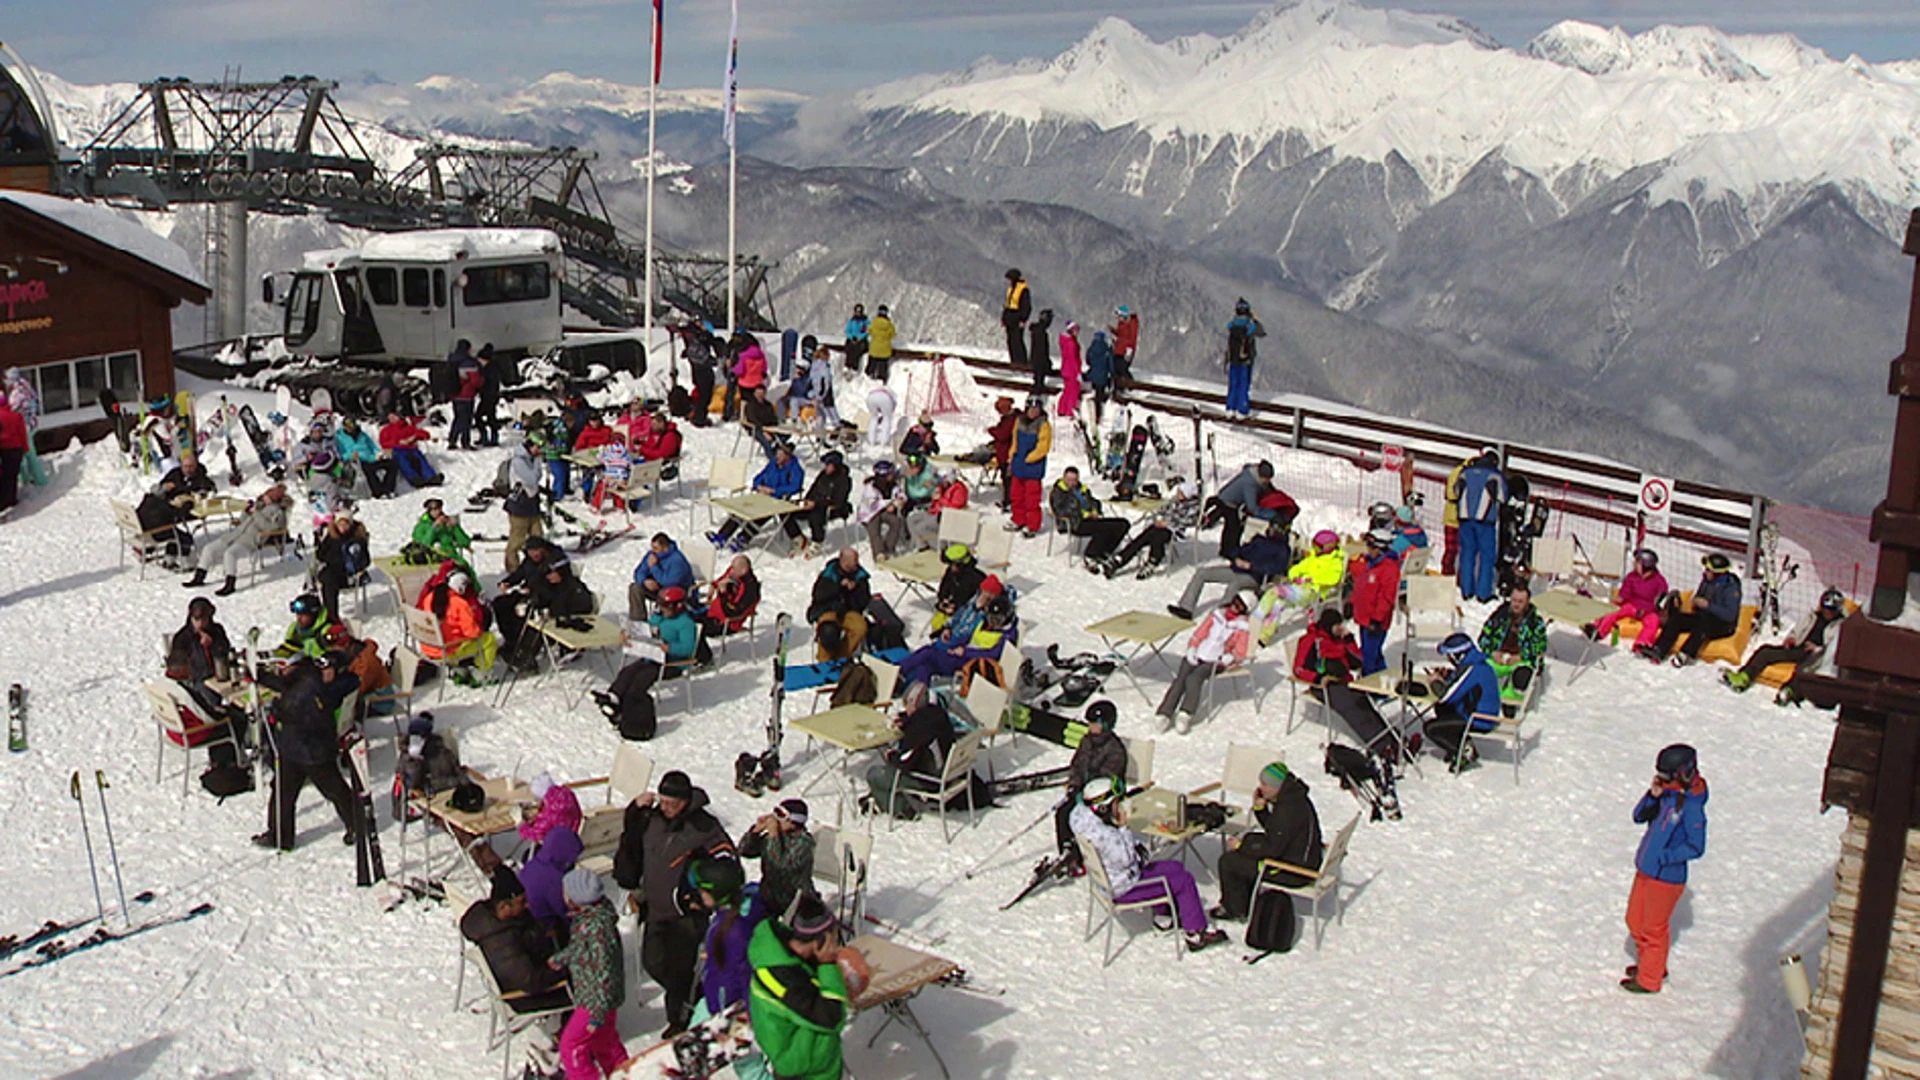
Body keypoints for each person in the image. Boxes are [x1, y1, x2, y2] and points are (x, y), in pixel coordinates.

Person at [612, 770, 736, 1036]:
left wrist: (700, 894)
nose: (665, 807)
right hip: (656, 909)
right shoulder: (653, 819)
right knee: (654, 962)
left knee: (679, 970)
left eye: (672, 803)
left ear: (686, 801)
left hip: (686, 916)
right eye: (663, 801)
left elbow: (728, 862)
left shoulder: (703, 827)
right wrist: (634, 811)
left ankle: (680, 1022)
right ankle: (692, 995)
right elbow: (631, 840)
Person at [1072, 776, 1227, 952]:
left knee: (1174, 867)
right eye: (1115, 803)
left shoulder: (1083, 819)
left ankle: (1163, 919)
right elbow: (1126, 860)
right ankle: (1196, 934)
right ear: (1102, 808)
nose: (1119, 807)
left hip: (1109, 880)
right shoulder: (1107, 836)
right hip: (1124, 887)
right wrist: (1123, 827)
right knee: (1184, 880)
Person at [1621, 744, 1712, 999]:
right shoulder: (1667, 795)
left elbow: (1696, 846)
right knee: (1634, 920)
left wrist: (1666, 858)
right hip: (1646, 870)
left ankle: (1650, 979)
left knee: (1653, 928)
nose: (1662, 779)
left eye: (1667, 775)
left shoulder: (1692, 806)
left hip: (1666, 878)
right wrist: (1653, 795)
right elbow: (1638, 816)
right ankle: (1651, 965)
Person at [252, 651, 362, 850]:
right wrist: (261, 677)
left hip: (313, 751)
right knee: (283, 793)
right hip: (295, 748)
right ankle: (279, 835)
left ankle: (358, 825)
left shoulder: (316, 686)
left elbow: (292, 707)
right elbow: (285, 688)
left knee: (335, 790)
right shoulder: (307, 680)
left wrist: (276, 708)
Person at [747, 895, 856, 1080]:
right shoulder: (783, 980)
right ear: (819, 941)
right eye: (833, 939)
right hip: (802, 1071)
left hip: (815, 1063)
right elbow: (831, 1015)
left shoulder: (788, 957)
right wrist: (828, 965)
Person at [1212, 761, 1322, 921]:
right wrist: (1260, 809)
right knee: (1249, 845)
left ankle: (1234, 909)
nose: (1260, 788)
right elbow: (1276, 831)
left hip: (1294, 871)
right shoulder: (1294, 798)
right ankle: (1244, 901)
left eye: (1265, 784)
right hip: (1303, 859)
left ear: (1277, 786)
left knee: (1230, 861)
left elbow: (1272, 848)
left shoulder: (1287, 809)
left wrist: (1241, 846)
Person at [549, 868, 629, 1078]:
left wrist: (598, 1011)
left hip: (595, 1001)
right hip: (599, 998)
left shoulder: (597, 928)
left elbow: (605, 970)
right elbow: (582, 948)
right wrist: (561, 958)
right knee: (605, 1043)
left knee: (571, 1045)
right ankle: (625, 1075)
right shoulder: (590, 920)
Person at [1293, 606, 1400, 762]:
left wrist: (1350, 641)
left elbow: (1357, 663)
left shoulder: (1339, 640)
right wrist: (1317, 678)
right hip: (1323, 686)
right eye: (1337, 625)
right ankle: (1381, 746)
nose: (1340, 628)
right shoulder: (1311, 641)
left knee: (1365, 702)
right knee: (1353, 708)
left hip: (1344, 681)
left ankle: (1392, 738)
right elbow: (1298, 668)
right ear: (1329, 625)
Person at [461, 868, 570, 1012]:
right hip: (524, 997)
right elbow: (530, 981)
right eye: (522, 902)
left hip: (532, 967)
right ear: (503, 906)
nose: (527, 905)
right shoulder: (501, 942)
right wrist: (566, 970)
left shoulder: (500, 922)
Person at [690, 858, 766, 1042]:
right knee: (693, 1042)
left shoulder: (734, 932)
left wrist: (751, 1016)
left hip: (732, 1008)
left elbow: (747, 974)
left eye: (703, 890)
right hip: (715, 998)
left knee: (748, 1069)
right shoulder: (737, 912)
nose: (700, 894)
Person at [897, 576, 1017, 689]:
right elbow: (969, 634)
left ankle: (897, 670)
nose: (993, 622)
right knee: (925, 668)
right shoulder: (986, 623)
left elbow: (992, 654)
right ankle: (918, 696)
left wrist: (965, 652)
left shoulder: (1007, 634)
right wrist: (952, 637)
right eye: (991, 618)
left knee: (928, 652)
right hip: (960, 655)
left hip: (970, 664)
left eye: (997, 620)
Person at [1155, 592, 1251, 734]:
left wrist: (1230, 657)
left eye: (1240, 607)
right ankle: (1165, 712)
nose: (1235, 608)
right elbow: (1200, 633)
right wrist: (1192, 647)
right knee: (1181, 677)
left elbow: (1241, 652)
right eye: (1235, 602)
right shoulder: (1216, 615)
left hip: (1216, 660)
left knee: (1194, 678)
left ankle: (1186, 713)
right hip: (1199, 652)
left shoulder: (1241, 627)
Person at [1726, 587, 1849, 695]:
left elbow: (1834, 649)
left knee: (1805, 669)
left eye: (1830, 610)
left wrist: (1817, 648)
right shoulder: (1813, 616)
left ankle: (1790, 691)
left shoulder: (1841, 625)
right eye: (1825, 608)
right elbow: (1797, 631)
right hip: (1799, 648)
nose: (1827, 612)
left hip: (1817, 655)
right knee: (1765, 651)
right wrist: (1791, 639)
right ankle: (1744, 677)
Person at [493, 538, 594, 670]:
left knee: (529, 614)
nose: (534, 554)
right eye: (531, 551)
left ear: (543, 549)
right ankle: (512, 641)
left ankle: (527, 653)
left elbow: (564, 575)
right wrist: (508, 582)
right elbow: (520, 573)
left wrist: (559, 576)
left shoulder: (555, 558)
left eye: (536, 550)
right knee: (500, 604)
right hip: (530, 592)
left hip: (547, 597)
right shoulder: (529, 561)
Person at [1168, 518, 1293, 621]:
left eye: (1275, 528)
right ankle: (1186, 608)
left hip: (1253, 577)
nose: (1271, 530)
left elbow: (1278, 568)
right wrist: (1236, 558)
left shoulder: (1283, 549)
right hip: (1236, 569)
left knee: (1235, 585)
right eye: (1271, 527)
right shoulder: (1259, 539)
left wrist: (1252, 566)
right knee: (1202, 573)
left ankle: (1220, 617)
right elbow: (1239, 550)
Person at [864, 682, 957, 818]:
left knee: (874, 774)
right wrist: (907, 720)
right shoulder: (938, 713)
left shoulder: (918, 729)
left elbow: (905, 762)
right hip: (949, 770)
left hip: (931, 779)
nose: (905, 708)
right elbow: (921, 721)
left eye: (906, 705)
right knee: (887, 771)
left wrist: (891, 755)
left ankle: (902, 809)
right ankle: (879, 798)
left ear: (913, 705)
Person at [183, 483, 292, 595]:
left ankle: (230, 583)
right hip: (235, 535)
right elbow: (242, 521)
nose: (264, 498)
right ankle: (199, 576)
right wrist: (246, 511)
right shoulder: (259, 506)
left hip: (252, 539)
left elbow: (271, 527)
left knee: (230, 554)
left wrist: (256, 514)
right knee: (209, 548)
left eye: (267, 497)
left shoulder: (278, 512)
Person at [1052, 700, 1126, 865]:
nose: (1091, 727)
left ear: (1106, 725)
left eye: (1095, 724)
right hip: (1084, 792)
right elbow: (1077, 764)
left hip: (1105, 797)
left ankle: (1082, 853)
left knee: (1083, 820)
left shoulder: (1115, 750)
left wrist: (1086, 792)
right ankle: (1067, 850)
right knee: (1063, 812)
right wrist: (1075, 784)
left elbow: (1105, 778)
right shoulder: (1087, 741)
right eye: (1090, 723)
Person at [1643, 553, 1744, 667]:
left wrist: (1708, 606)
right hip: (1704, 616)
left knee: (1703, 627)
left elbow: (1730, 615)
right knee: (1678, 619)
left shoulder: (1731, 588)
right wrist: (1696, 602)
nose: (1705, 572)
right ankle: (1659, 649)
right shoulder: (1707, 580)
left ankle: (1686, 654)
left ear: (1717, 573)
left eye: (1708, 570)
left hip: (1723, 624)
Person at [1422, 633, 1503, 772]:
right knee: (1441, 708)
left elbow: (1446, 696)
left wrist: (1435, 681)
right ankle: (1459, 743)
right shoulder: (1476, 664)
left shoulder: (1472, 668)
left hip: (1480, 720)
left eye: (1450, 656)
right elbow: (1459, 683)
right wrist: (1448, 675)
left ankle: (1464, 750)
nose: (1449, 659)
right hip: (1477, 713)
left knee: (1430, 728)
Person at [1095, 478, 1200, 580]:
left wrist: (1168, 523)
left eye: (1181, 493)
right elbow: (1162, 510)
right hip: (1162, 526)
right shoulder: (1175, 502)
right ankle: (1120, 559)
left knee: (1157, 534)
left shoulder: (1193, 507)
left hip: (1175, 531)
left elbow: (1190, 521)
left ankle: (1153, 560)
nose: (1178, 494)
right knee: (1144, 537)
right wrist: (1159, 518)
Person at [1252, 529, 1347, 641]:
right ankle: (1264, 636)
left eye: (1318, 547)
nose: (1315, 549)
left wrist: (1311, 580)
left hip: (1313, 592)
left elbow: (1332, 579)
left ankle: (1255, 619)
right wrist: (1295, 576)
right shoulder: (1313, 558)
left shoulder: (1335, 562)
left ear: (1327, 547)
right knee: (1278, 603)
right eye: (1314, 545)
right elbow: (1295, 569)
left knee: (1274, 592)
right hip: (1298, 589)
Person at [711, 444, 803, 553]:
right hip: (762, 495)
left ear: (787, 456)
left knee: (758, 516)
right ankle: (723, 535)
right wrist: (758, 485)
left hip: (778, 500)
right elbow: (760, 476)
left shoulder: (795, 469)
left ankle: (743, 538)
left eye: (780, 454)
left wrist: (774, 491)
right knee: (740, 509)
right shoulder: (773, 463)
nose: (777, 456)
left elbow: (795, 486)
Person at [736, 798, 815, 921]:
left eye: (781, 816)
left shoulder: (804, 844)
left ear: (793, 822)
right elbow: (744, 851)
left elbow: (779, 864)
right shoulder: (775, 837)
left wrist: (773, 835)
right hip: (769, 897)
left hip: (793, 902)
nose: (776, 819)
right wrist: (755, 832)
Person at [165, 596, 238, 723]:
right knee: (210, 696)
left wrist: (214, 644)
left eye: (204, 620)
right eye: (196, 620)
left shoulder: (217, 630)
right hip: (197, 682)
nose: (200, 624)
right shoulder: (183, 638)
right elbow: (178, 668)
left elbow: (226, 652)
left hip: (220, 677)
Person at [1477, 584, 1548, 706]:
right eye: (1514, 600)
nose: (1516, 604)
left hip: (1521, 660)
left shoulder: (1535, 622)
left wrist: (1522, 656)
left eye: (1520, 602)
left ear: (1527, 603)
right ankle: (1491, 696)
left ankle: (1510, 701)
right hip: (1499, 658)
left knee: (1522, 677)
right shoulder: (1500, 616)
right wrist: (1493, 652)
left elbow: (1541, 646)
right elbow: (1483, 638)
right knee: (1479, 670)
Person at [417, 568, 498, 676]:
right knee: (489, 640)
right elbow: (472, 633)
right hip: (446, 650)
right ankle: (481, 671)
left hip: (428, 646)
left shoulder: (430, 597)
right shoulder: (459, 603)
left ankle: (459, 666)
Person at [1585, 548, 1670, 649]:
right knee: (1613, 609)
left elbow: (1660, 602)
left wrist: (1647, 610)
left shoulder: (1659, 581)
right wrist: (1619, 599)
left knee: (1653, 621)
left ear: (1646, 565)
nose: (1635, 565)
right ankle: (1598, 631)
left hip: (1649, 610)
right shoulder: (1632, 576)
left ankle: (1641, 644)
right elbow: (1625, 593)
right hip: (1632, 605)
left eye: (1638, 563)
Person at [1455, 450, 1507, 603]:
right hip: (1485, 521)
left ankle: (1466, 590)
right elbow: (1503, 497)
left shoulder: (1465, 473)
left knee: (1467, 554)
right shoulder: (1495, 475)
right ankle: (1483, 593)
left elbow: (1455, 491)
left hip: (1464, 519)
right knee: (1486, 557)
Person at [1049, 466, 1129, 562]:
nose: (1072, 483)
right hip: (1074, 523)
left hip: (1090, 519)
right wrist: (1085, 514)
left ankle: (1106, 551)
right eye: (1069, 480)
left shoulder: (1082, 489)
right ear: (1064, 478)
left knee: (1123, 524)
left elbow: (1093, 501)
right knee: (1103, 528)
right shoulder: (1059, 492)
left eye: (1074, 480)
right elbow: (1061, 509)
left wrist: (1095, 510)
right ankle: (1091, 554)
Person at [520, 824, 584, 940]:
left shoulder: (536, 862)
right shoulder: (554, 880)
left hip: (528, 918)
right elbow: (564, 910)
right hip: (546, 928)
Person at [1206, 460, 1282, 558]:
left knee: (1234, 526)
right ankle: (1228, 552)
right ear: (1260, 475)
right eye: (1266, 479)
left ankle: (1228, 550)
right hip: (1228, 502)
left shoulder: (1252, 473)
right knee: (1233, 527)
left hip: (1226, 497)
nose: (1267, 481)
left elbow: (1266, 488)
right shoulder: (1250, 484)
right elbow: (1252, 507)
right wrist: (1270, 514)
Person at [785, 450, 852, 558]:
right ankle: (797, 537)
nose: (825, 467)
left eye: (828, 465)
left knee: (815, 515)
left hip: (833, 509)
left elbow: (838, 500)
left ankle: (817, 541)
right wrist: (806, 501)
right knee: (786, 512)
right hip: (814, 504)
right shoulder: (823, 475)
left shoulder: (844, 480)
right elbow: (813, 489)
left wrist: (816, 503)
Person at [807, 548, 872, 661]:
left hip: (848, 610)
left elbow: (865, 599)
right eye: (854, 562)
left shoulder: (859, 576)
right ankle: (824, 661)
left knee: (860, 627)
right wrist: (838, 587)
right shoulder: (829, 574)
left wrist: (855, 590)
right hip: (827, 610)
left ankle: (842, 656)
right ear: (845, 562)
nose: (856, 565)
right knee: (828, 631)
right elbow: (819, 595)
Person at [313, 507, 371, 622]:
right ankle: (330, 614)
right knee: (328, 579)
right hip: (332, 571)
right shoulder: (331, 536)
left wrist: (358, 566)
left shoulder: (357, 539)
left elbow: (366, 559)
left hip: (349, 574)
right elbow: (320, 555)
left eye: (346, 524)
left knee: (329, 582)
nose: (343, 528)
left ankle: (331, 616)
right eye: (340, 524)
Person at [1007, 396, 1051, 537]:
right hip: (1018, 463)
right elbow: (1015, 440)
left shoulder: (1043, 424)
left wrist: (1030, 458)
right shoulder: (1019, 421)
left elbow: (1043, 446)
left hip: (1033, 466)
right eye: (1031, 409)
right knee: (1016, 495)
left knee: (1032, 498)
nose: (1033, 412)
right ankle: (1018, 519)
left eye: (1036, 409)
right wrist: (1012, 457)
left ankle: (1032, 525)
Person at [503, 437, 547, 573]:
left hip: (532, 504)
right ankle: (513, 567)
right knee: (517, 539)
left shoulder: (530, 459)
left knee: (537, 537)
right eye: (538, 448)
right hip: (519, 506)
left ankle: (538, 564)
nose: (539, 451)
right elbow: (532, 479)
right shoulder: (519, 461)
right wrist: (538, 461)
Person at [630, 532, 695, 622]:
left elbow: (669, 582)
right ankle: (638, 621)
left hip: (675, 591)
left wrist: (654, 567)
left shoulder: (677, 560)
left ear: (665, 547)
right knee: (635, 588)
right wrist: (644, 581)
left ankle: (661, 623)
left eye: (656, 548)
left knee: (664, 593)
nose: (653, 550)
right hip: (656, 588)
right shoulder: (652, 555)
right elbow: (639, 571)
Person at [906, 467, 968, 552]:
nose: (941, 482)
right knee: (911, 519)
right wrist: (934, 498)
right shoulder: (942, 487)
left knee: (921, 527)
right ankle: (921, 545)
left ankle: (939, 547)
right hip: (934, 512)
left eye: (943, 479)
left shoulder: (959, 489)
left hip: (947, 517)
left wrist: (940, 499)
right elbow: (936, 502)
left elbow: (956, 506)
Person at [410, 498, 474, 579]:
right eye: (435, 509)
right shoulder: (422, 526)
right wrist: (433, 529)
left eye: (439, 508)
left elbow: (465, 542)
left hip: (452, 557)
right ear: (429, 511)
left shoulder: (447, 522)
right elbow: (422, 544)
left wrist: (455, 528)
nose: (438, 512)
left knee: (465, 569)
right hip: (432, 559)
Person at [702, 554, 762, 639]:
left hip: (726, 623)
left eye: (734, 569)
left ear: (744, 570)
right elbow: (724, 577)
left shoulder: (750, 589)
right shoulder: (735, 574)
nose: (731, 571)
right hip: (712, 612)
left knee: (692, 628)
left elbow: (733, 612)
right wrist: (714, 585)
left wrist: (723, 593)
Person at [334, 417, 397, 498]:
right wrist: (350, 456)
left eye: (351, 426)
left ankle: (388, 489)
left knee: (392, 464)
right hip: (357, 460)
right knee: (368, 469)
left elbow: (372, 446)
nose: (350, 428)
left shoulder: (362, 434)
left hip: (371, 458)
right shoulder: (340, 437)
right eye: (347, 426)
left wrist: (378, 453)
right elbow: (340, 454)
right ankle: (378, 492)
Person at [930, 543, 986, 634]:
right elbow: (944, 589)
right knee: (936, 623)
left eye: (953, 565)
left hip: (967, 616)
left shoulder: (975, 578)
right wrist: (943, 601)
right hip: (951, 610)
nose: (951, 567)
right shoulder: (951, 573)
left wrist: (955, 607)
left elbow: (973, 602)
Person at [857, 461, 908, 559]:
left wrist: (897, 503)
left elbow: (901, 496)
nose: (892, 475)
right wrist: (889, 503)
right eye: (890, 474)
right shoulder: (870, 488)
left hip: (884, 512)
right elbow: (872, 504)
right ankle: (879, 553)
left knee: (896, 522)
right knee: (874, 527)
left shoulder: (892, 485)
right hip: (869, 514)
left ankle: (889, 548)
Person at [378, 411, 442, 488]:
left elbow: (425, 434)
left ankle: (430, 477)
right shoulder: (386, 430)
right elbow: (383, 443)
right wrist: (398, 442)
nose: (392, 419)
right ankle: (414, 479)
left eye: (394, 416)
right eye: (390, 417)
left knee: (419, 457)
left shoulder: (408, 427)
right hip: (397, 449)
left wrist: (414, 436)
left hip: (411, 448)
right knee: (402, 459)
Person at [1224, 299, 1265, 418]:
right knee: (1244, 384)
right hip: (1245, 360)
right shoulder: (1249, 326)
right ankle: (1242, 409)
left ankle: (1230, 407)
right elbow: (1261, 332)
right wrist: (1255, 319)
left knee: (1233, 384)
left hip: (1234, 359)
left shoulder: (1232, 325)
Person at [520, 771, 583, 846]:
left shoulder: (552, 810)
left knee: (527, 855)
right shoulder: (567, 795)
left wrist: (522, 826)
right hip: (573, 834)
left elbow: (537, 833)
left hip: (561, 845)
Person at [274, 592, 337, 660]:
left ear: (313, 614)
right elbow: (290, 648)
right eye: (297, 614)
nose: (299, 618)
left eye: (304, 615)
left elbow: (337, 653)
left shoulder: (327, 630)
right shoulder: (295, 629)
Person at [449, 342, 482, 450]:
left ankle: (452, 440)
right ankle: (465, 441)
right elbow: (475, 381)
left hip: (454, 394)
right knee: (466, 419)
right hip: (466, 395)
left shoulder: (451, 360)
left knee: (458, 418)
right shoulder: (469, 363)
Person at [987, 397, 1018, 510]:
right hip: (1003, 453)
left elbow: (1003, 434)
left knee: (1009, 479)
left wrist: (992, 431)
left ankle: (1009, 502)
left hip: (1007, 454)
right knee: (1005, 479)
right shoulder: (1007, 418)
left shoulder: (1012, 419)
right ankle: (1007, 500)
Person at [0, 395, 27, 513]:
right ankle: (11, 498)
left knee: (4, 474)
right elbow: (22, 433)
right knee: (13, 474)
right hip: (16, 447)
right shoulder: (16, 416)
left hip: (2, 448)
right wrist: (25, 447)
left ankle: (4, 499)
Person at [1002, 269, 1031, 370]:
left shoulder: (1023, 289)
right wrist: (1004, 318)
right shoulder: (1012, 288)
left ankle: (1021, 361)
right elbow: (1008, 304)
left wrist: (1023, 320)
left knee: (1017, 340)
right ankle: (1014, 361)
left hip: (1017, 317)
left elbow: (1026, 306)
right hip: (1010, 316)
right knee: (1010, 340)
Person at [1084, 330, 1114, 421]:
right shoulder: (1107, 350)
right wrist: (1111, 374)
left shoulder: (1091, 349)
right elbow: (1111, 365)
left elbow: (1088, 361)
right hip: (1103, 377)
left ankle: (1092, 413)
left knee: (1095, 392)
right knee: (1100, 395)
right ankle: (1098, 415)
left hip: (1092, 375)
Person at [1055, 320, 1082, 410]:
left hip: (1066, 370)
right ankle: (1070, 410)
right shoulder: (1071, 344)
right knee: (1073, 391)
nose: (1077, 332)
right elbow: (1073, 359)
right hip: (1071, 371)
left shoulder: (1066, 341)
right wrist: (1078, 372)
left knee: (1067, 391)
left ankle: (1062, 409)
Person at [1026, 308, 1054, 393]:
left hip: (1036, 361)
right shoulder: (1041, 333)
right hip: (1039, 363)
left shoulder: (1037, 331)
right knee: (1038, 386)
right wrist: (1047, 364)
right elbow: (1042, 351)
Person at [866, 304, 897, 381]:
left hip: (874, 348)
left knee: (872, 362)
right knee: (883, 364)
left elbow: (869, 331)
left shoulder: (874, 322)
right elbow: (893, 334)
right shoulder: (889, 325)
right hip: (885, 350)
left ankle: (870, 373)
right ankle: (881, 377)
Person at [864, 382, 897, 451]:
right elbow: (892, 407)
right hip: (885, 397)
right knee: (887, 418)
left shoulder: (878, 387)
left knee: (874, 417)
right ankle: (884, 441)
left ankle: (871, 440)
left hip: (870, 397)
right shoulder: (893, 394)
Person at [843, 303, 870, 375]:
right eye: (857, 312)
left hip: (861, 340)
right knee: (849, 349)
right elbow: (848, 330)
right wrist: (852, 337)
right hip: (853, 339)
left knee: (857, 349)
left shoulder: (865, 321)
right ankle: (847, 365)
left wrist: (860, 337)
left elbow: (867, 331)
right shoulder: (852, 321)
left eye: (860, 312)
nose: (858, 313)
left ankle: (855, 367)